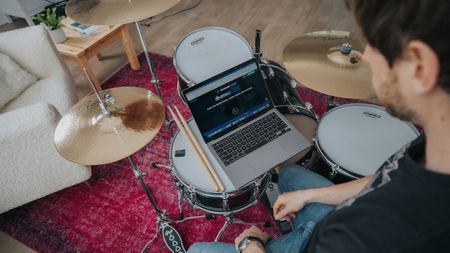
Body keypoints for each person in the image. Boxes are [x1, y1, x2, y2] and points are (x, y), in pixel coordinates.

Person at [187, 0, 450, 252]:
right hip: (331, 223)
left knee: (197, 249)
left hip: (318, 241)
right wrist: (311, 195)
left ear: (420, 66)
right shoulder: (436, 145)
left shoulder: (363, 239)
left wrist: (251, 243)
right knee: (289, 175)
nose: (367, 56)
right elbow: (388, 177)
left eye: (372, 44)